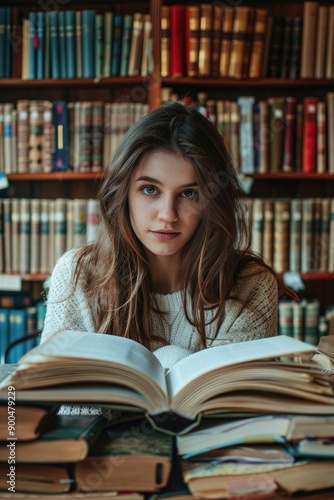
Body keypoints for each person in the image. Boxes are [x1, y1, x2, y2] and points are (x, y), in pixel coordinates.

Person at [41, 101, 295, 365]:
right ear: (123, 194)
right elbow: (60, 397)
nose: (168, 214)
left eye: (189, 194)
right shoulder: (77, 276)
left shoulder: (251, 286)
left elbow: (239, 401)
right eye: (150, 189)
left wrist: (168, 361)